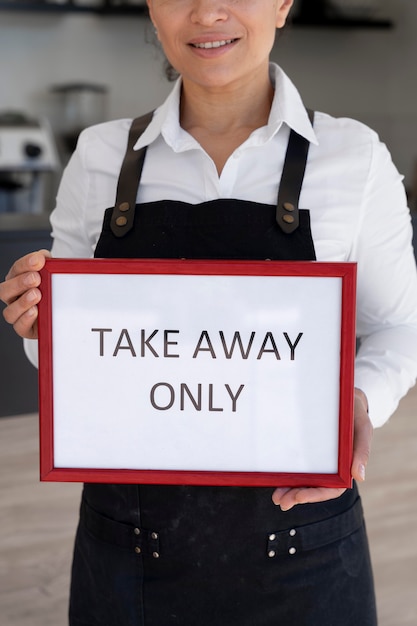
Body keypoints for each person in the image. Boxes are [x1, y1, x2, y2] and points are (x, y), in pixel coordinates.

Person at [2, 1, 417, 624]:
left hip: (304, 544)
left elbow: (398, 327)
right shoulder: (100, 156)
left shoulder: (353, 158)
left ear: (282, 5)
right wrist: (40, 322)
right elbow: (74, 355)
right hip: (130, 548)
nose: (207, 11)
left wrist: (357, 400)